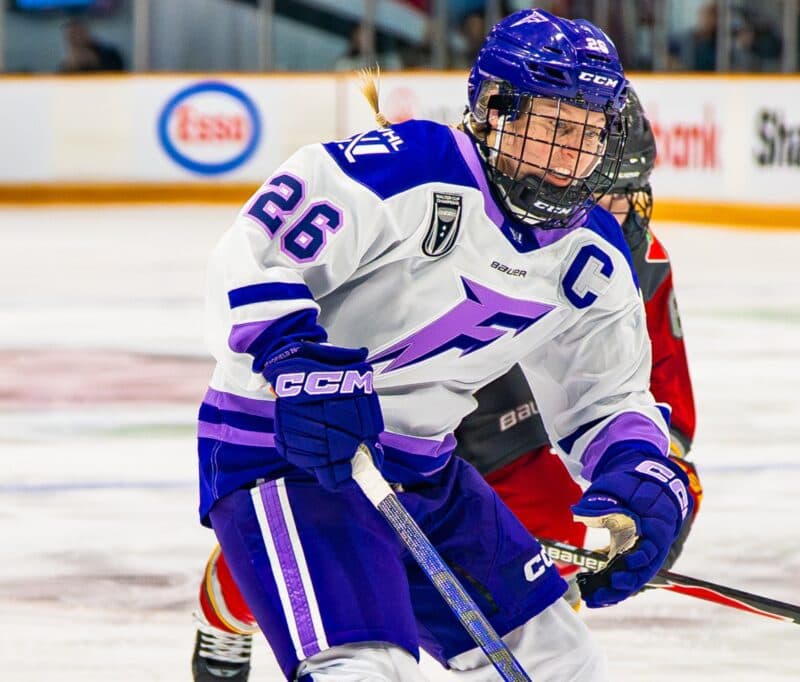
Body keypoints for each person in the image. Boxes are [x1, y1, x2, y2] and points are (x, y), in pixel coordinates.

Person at [195, 9, 696, 681]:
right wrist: (293, 361)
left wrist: (638, 474)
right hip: (288, 453)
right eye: (553, 129)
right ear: (495, 109)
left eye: (586, 136)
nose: (569, 158)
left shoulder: (592, 258)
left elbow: (606, 398)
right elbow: (253, 254)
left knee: (559, 661)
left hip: (425, 470)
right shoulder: (411, 167)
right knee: (363, 667)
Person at [58, 19, 125, 73]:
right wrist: (68, 67)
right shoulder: (69, 60)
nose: (77, 38)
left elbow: (118, 74)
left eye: (79, 33)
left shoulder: (109, 53)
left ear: (87, 33)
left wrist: (95, 62)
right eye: (72, 35)